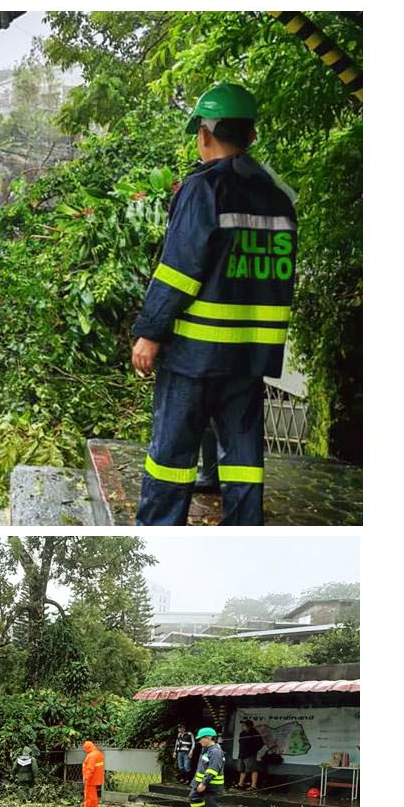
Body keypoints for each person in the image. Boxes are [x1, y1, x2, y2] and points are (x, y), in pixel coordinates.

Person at [130, 83, 298, 527]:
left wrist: (150, 333)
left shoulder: (204, 189)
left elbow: (178, 269)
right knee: (243, 455)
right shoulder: (279, 197)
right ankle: (245, 529)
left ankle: (159, 532)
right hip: (250, 354)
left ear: (204, 134)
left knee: (172, 453)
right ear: (252, 135)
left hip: (195, 354)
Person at [189, 726, 226, 807]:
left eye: (201, 738)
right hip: (200, 781)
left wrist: (204, 783)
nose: (199, 741)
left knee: (211, 804)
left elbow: (212, 770)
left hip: (212, 784)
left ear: (208, 738)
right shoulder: (206, 749)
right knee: (194, 797)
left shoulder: (216, 752)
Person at [236, 718, 263, 791]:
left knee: (253, 769)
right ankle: (240, 784)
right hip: (241, 754)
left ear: (249, 726)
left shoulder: (255, 734)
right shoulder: (242, 733)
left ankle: (254, 786)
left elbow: (260, 744)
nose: (242, 727)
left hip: (250, 755)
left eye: (244, 725)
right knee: (242, 770)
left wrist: (253, 751)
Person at [81, 739, 106, 807]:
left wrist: (86, 778)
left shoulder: (91, 756)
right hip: (95, 777)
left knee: (89, 794)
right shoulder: (98, 753)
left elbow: (90, 768)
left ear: (87, 748)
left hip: (91, 778)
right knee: (92, 793)